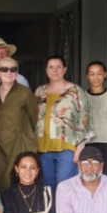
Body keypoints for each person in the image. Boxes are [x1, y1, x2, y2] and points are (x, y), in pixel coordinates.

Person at [34, 56, 92, 191]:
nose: (55, 70)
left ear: (65, 69)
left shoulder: (76, 91)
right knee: (47, 187)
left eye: (58, 67)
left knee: (64, 186)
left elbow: (84, 120)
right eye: (51, 67)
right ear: (46, 70)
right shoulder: (39, 91)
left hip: (67, 147)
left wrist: (80, 147)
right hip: (43, 147)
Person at [0, 57, 38, 191]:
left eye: (13, 69)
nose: (9, 72)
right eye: (4, 69)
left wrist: (30, 139)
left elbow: (35, 119)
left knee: (19, 182)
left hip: (19, 144)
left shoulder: (24, 92)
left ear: (17, 72)